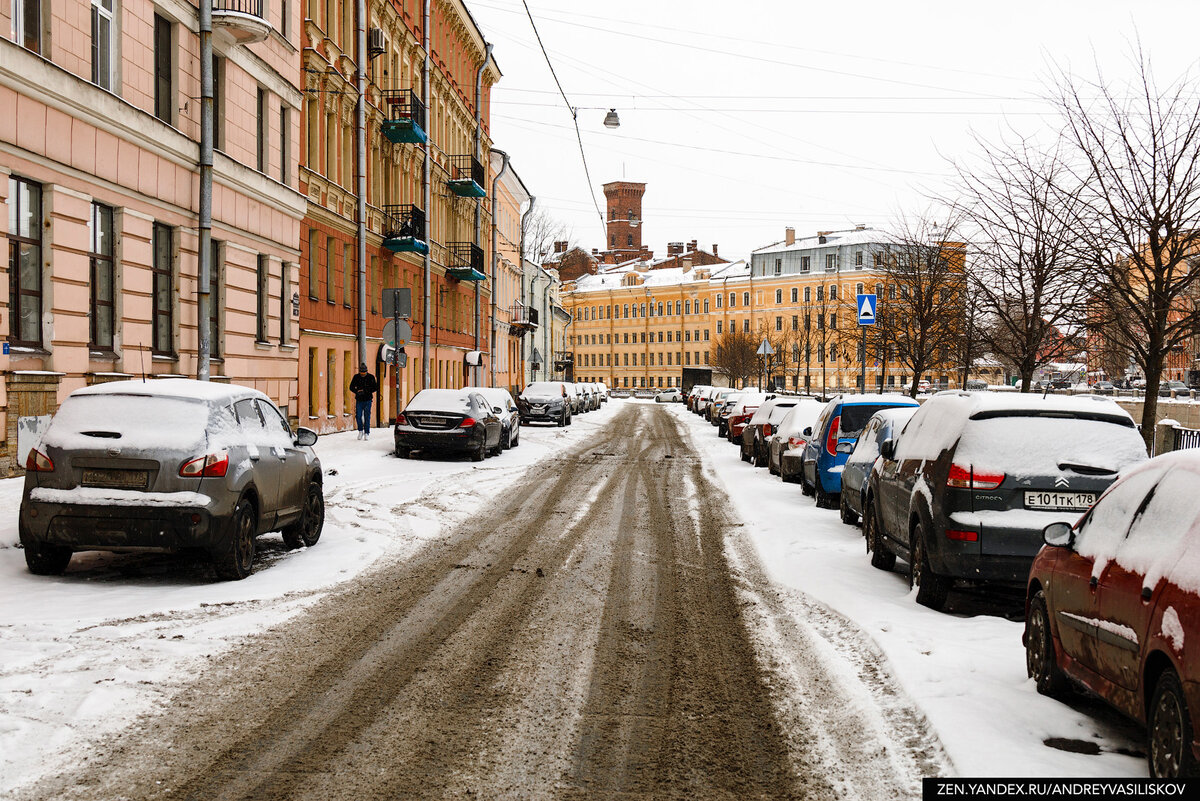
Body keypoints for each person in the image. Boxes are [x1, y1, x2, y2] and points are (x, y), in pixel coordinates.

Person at [349, 363, 378, 440]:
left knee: (367, 416)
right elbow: (351, 387)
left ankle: (367, 432)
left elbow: (375, 388)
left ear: (366, 371)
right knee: (358, 416)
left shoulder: (371, 377)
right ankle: (360, 430)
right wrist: (357, 391)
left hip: (368, 399)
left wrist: (365, 391)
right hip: (359, 399)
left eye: (364, 372)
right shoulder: (356, 377)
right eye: (361, 372)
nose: (362, 374)